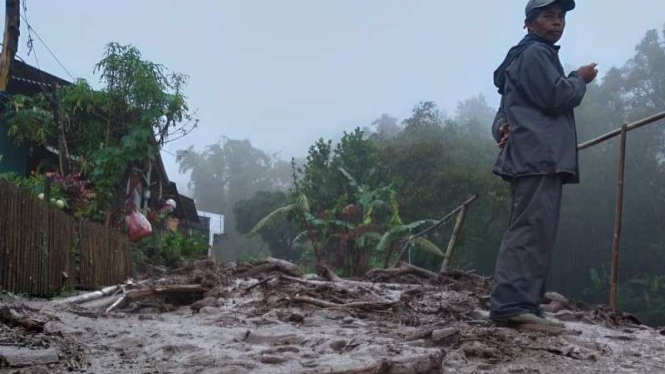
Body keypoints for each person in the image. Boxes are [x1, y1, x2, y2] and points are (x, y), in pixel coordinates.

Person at [489, 0, 598, 327]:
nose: (557, 22)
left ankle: (524, 302)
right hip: (539, 157)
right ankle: (511, 306)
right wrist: (580, 78)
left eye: (561, 16)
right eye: (548, 16)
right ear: (529, 23)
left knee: (534, 230)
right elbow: (558, 96)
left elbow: (504, 112)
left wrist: (502, 129)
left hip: (534, 157)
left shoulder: (528, 56)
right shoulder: (535, 54)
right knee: (529, 231)